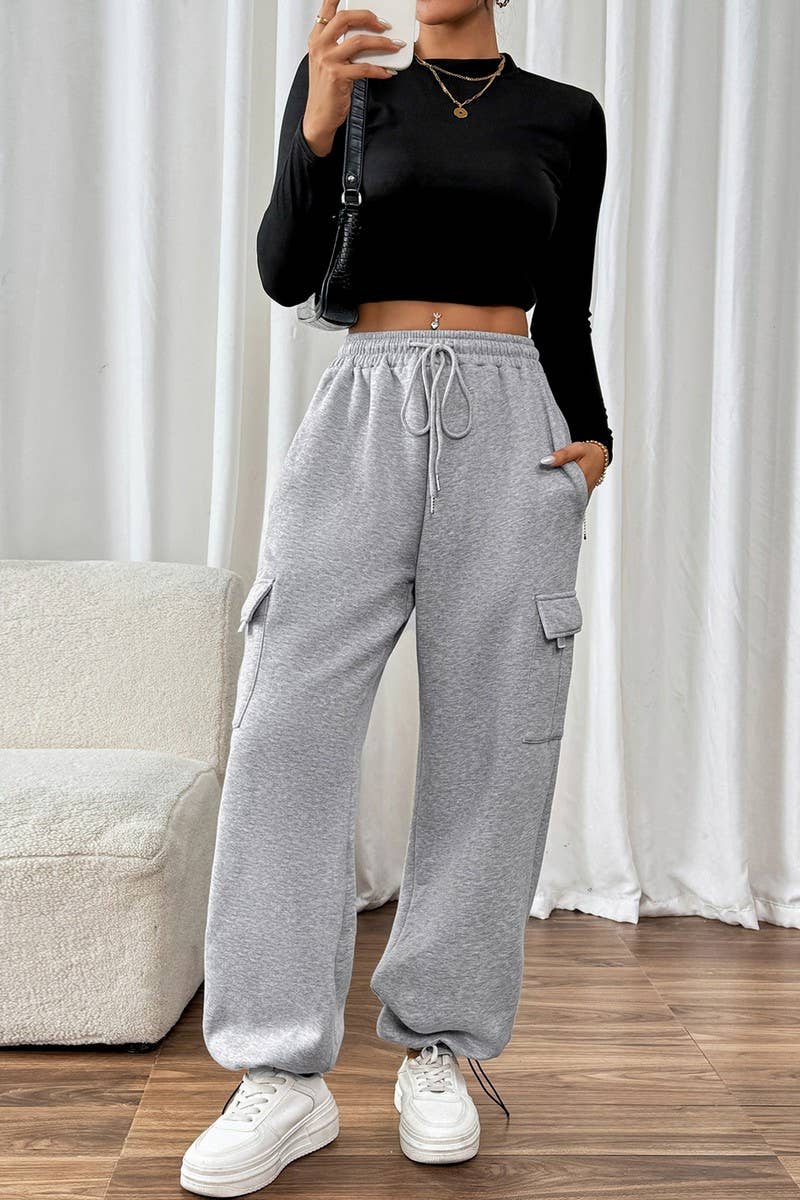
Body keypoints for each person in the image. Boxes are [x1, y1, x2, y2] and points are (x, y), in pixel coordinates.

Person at [181, 0, 613, 1194]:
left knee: (493, 741)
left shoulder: (566, 117)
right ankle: (280, 1070)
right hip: (362, 407)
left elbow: (565, 303)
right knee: (283, 729)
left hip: (513, 424)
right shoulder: (348, 85)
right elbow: (284, 272)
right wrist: (314, 127)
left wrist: (592, 442)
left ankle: (437, 1044)